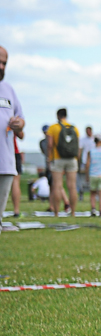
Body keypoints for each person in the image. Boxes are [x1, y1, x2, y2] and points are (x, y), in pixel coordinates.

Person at [0, 44, 26, 228]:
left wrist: (19, 124)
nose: (1, 67)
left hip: (5, 163)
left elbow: (22, 127)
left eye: (4, 63)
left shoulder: (9, 90)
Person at [47, 108, 79, 216]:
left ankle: (56, 212)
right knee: (72, 186)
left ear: (57, 116)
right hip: (72, 159)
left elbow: (50, 144)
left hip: (58, 158)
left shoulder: (53, 128)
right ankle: (73, 212)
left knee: (57, 185)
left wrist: (49, 157)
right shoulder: (74, 128)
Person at [77, 125, 94, 198]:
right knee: (81, 178)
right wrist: (78, 159)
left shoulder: (95, 139)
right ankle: (81, 192)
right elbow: (80, 150)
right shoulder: (83, 140)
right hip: (85, 161)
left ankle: (94, 194)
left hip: (94, 161)